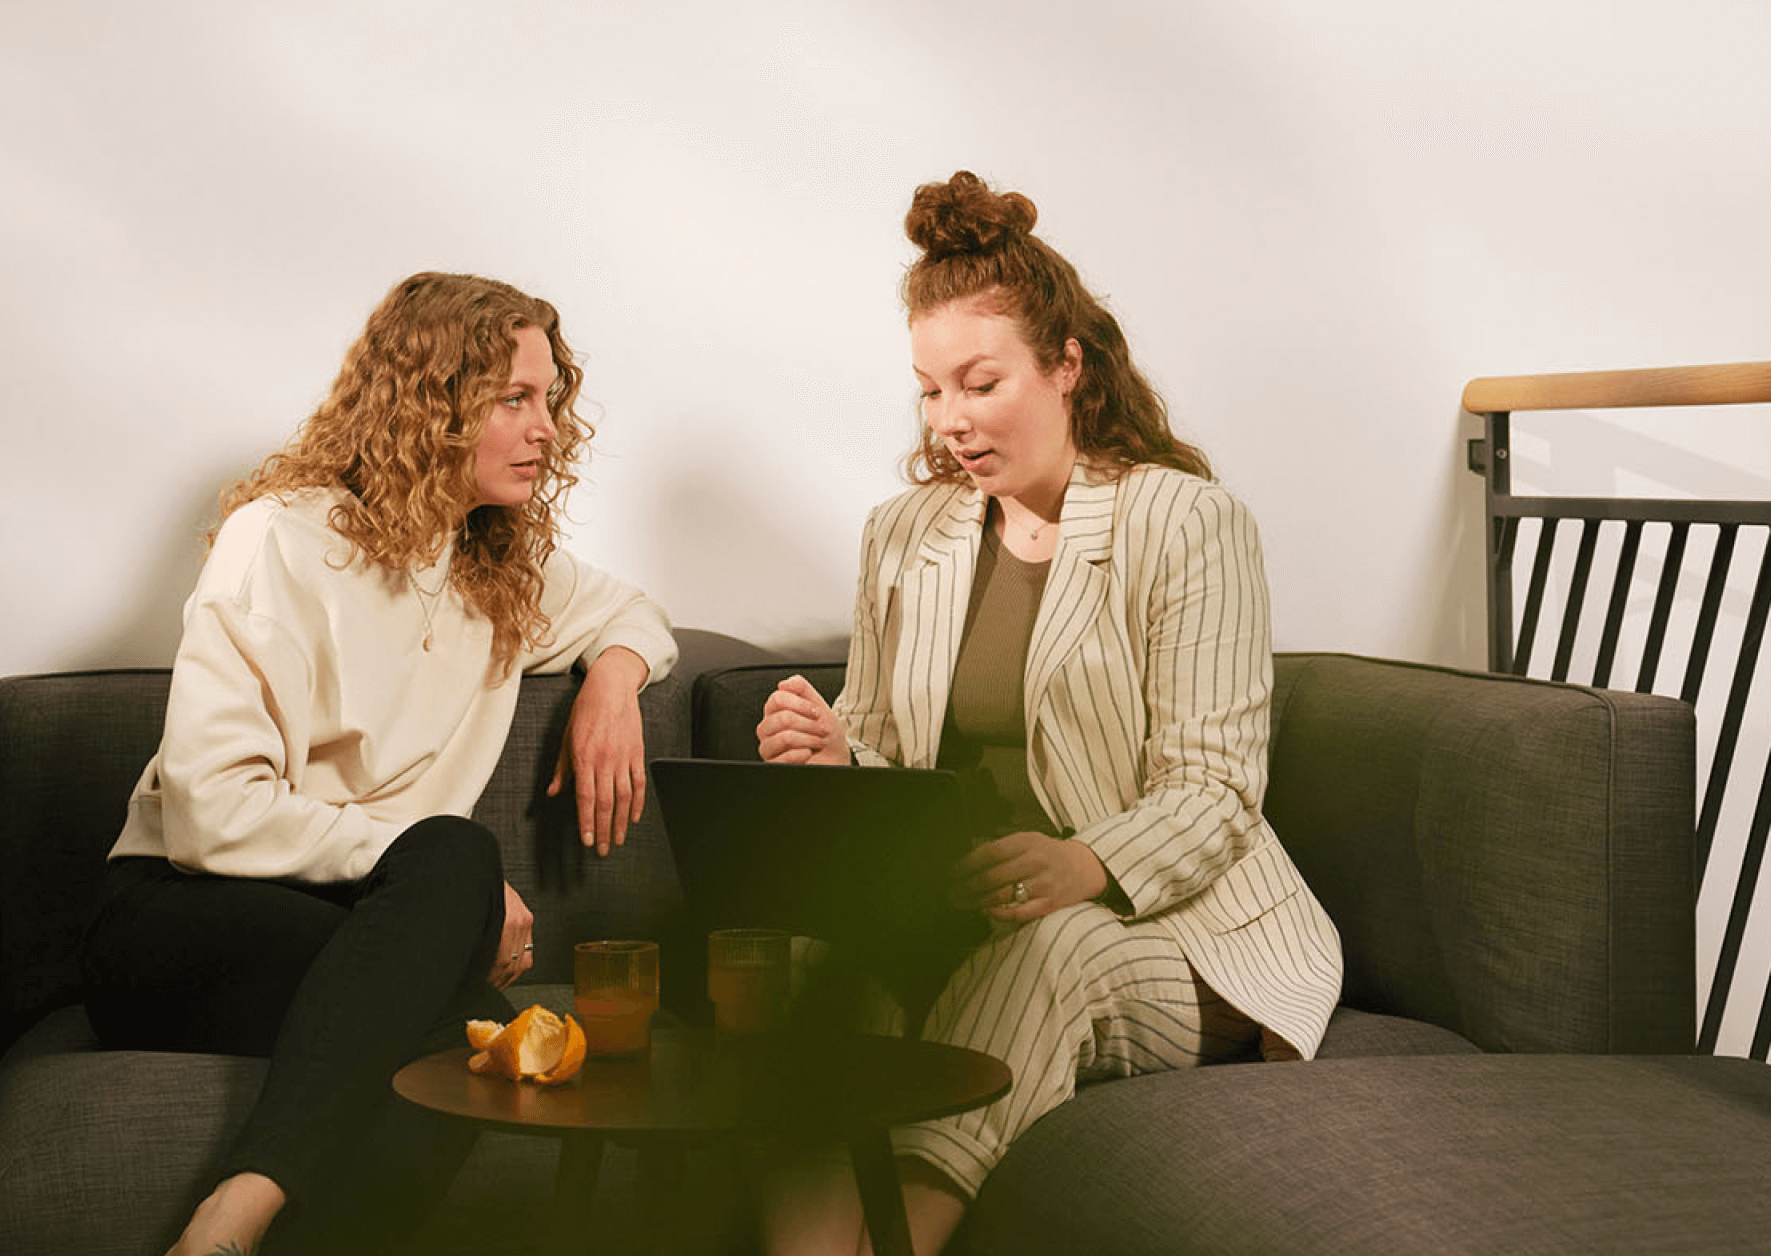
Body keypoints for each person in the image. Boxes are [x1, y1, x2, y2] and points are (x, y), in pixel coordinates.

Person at [756, 171, 1343, 1255]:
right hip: (963, 907)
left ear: (1067, 365)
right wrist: (840, 756)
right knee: (814, 959)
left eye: (979, 383)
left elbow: (1215, 786)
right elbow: (888, 744)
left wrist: (1084, 864)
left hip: (1163, 930)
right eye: (930, 391)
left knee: (1045, 952)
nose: (952, 422)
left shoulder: (1186, 520)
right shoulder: (906, 532)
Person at [81, 272, 677, 1256]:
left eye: (551, 400)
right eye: (514, 400)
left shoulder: (496, 565)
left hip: (366, 935)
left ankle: (244, 1232)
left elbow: (632, 611)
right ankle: (232, 1209)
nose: (550, 431)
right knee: (450, 859)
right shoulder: (278, 538)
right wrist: (444, 880)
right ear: (429, 404)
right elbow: (209, 814)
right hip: (173, 919)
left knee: (475, 1040)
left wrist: (614, 683)